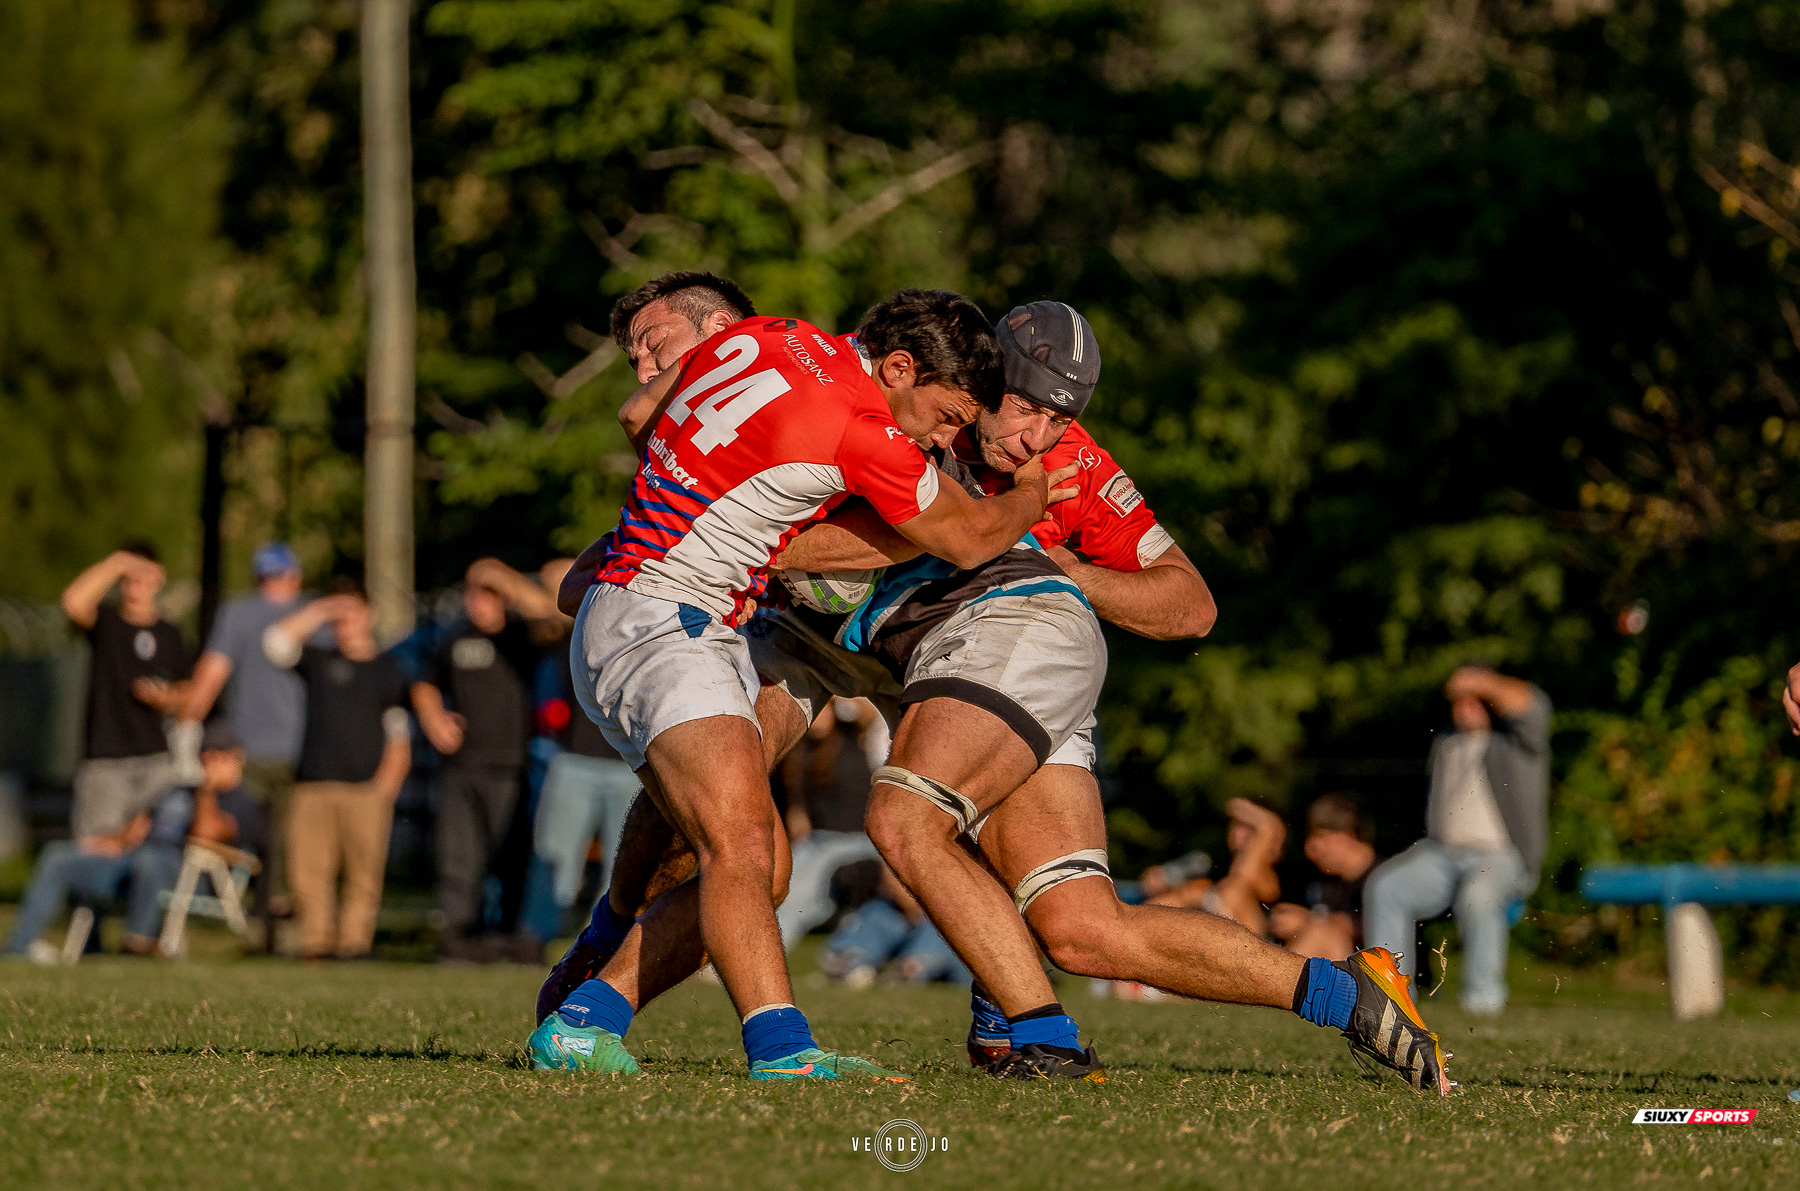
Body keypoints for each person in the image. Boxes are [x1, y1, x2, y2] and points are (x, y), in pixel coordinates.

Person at [550, 293, 1451, 1096]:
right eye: (1018, 407)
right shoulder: (890, 404)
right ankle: (1345, 991)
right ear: (979, 379)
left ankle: (1038, 1033)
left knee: (895, 820)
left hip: (1000, 635)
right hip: (862, 641)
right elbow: (742, 486)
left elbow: (1188, 602)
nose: (1033, 435)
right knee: (1080, 926)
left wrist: (1052, 561)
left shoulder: (1059, 463)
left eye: (1059, 418)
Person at [527, 279, 1071, 1081]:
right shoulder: (863, 429)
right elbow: (967, 538)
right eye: (947, 415)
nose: (943, 436)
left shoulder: (779, 334)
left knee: (760, 866)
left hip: (647, 609)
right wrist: (1030, 491)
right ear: (897, 367)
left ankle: (588, 1010)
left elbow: (640, 415)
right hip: (670, 619)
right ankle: (783, 1051)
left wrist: (695, 496)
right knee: (743, 844)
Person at [1364, 666, 1550, 1014]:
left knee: (1478, 897)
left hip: (1500, 856)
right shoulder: (1446, 740)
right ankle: (1392, 1000)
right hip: (1441, 856)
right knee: (1385, 887)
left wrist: (1480, 680)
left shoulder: (1516, 742)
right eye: (1459, 701)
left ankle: (1483, 1000)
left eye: (1473, 701)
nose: (1463, 707)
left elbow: (1534, 706)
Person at [5, 719, 257, 960]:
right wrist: (106, 843)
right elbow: (136, 828)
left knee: (151, 859)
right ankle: (20, 946)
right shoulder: (178, 791)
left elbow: (206, 834)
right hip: (131, 867)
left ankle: (138, 943)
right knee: (58, 855)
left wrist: (207, 790)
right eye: (207, 753)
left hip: (188, 876)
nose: (212, 761)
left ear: (238, 756)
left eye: (221, 755)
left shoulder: (242, 801)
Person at [411, 558, 560, 962]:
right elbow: (424, 684)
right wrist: (434, 717)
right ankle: (459, 938)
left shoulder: (522, 637)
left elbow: (551, 610)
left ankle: (509, 937)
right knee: (459, 858)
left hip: (510, 766)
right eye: (473, 593)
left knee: (512, 857)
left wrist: (502, 576)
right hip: (461, 767)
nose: (479, 601)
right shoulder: (453, 639)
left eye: (488, 594)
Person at [264, 581, 412, 960]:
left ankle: (354, 946)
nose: (344, 621)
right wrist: (321, 608)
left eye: (352, 611)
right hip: (312, 785)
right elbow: (275, 643)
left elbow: (397, 731)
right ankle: (315, 944)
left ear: (370, 615)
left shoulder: (389, 670)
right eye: (338, 614)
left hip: (366, 788)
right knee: (308, 872)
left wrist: (386, 786)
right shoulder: (317, 660)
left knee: (363, 875)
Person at [173, 541, 309, 920]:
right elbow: (211, 674)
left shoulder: (258, 614)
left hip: (275, 751)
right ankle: (268, 914)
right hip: (264, 750)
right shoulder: (260, 614)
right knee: (271, 838)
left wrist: (185, 730)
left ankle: (272, 916)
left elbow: (210, 676)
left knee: (274, 841)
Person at [59, 544, 192, 852]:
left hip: (156, 759)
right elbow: (73, 602)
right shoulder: (106, 621)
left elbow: (186, 694)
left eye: (145, 574)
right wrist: (117, 562)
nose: (138, 582)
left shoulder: (170, 633)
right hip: (106, 758)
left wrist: (165, 698)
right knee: (98, 849)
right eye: (130, 576)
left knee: (153, 849)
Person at [774, 697, 883, 950]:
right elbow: (797, 812)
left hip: (857, 839)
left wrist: (832, 692)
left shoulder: (853, 735)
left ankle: (768, 950)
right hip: (819, 841)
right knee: (782, 881)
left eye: (822, 707)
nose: (818, 715)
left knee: (801, 890)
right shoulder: (800, 752)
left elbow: (870, 712)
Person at [1269, 794, 1378, 962]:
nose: (1309, 851)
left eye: (1318, 838)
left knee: (1320, 933)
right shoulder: (1320, 879)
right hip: (1333, 969)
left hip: (1375, 975)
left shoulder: (1384, 879)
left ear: (1345, 837)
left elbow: (1377, 925)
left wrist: (1308, 922)